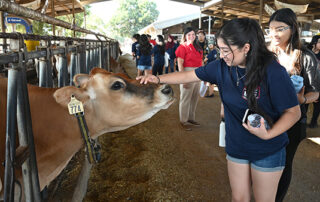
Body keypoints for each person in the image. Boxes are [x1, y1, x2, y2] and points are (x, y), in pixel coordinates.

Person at [138, 18, 301, 201]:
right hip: (237, 144)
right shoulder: (221, 68)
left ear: (246, 48)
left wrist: (267, 135)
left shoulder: (273, 72)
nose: (221, 55)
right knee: (239, 198)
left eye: (226, 50)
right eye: (220, 49)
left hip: (268, 148)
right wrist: (158, 79)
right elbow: (189, 74)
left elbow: (293, 112)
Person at [268, 8, 320, 202]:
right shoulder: (267, 54)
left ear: (293, 29)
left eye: (280, 28)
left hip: (294, 122)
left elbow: (315, 92)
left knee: (284, 163)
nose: (274, 33)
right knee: (266, 161)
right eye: (271, 28)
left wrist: (303, 100)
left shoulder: (306, 57)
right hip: (268, 117)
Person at [174, 27, 203, 131]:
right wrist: (183, 79)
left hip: (198, 73)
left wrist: (203, 75)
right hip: (187, 72)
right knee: (186, 98)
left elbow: (201, 61)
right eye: (189, 35)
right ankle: (183, 120)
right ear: (185, 36)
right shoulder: (182, 47)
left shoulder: (198, 47)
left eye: (193, 34)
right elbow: (180, 63)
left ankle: (191, 118)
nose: (191, 36)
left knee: (195, 97)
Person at [306, 34, 320, 128]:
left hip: (319, 83)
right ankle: (301, 121)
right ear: (314, 43)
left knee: (318, 105)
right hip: (307, 83)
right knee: (304, 103)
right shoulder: (307, 53)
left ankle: (313, 123)